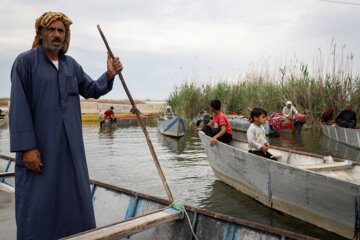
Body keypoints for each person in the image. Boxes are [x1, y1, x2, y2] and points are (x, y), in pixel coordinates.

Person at [9, 12, 123, 240]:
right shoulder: (25, 62)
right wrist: (27, 148)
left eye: (61, 31)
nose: (56, 34)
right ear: (40, 33)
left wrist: (109, 75)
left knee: (73, 200)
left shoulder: (72, 66)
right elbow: (18, 108)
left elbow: (91, 88)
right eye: (51, 29)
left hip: (70, 153)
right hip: (40, 150)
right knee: (38, 203)